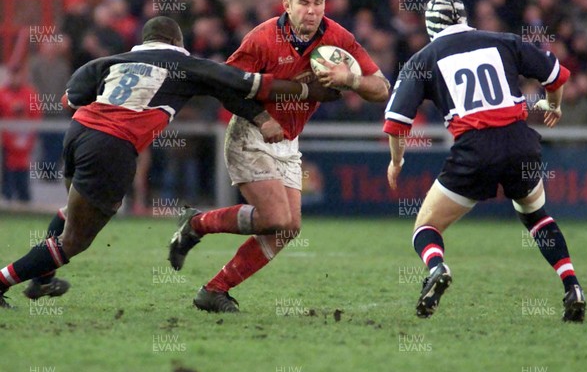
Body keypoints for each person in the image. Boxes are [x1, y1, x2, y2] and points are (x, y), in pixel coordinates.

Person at [0, 16, 337, 308]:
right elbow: (246, 84)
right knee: (75, 240)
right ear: (178, 42)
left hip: (77, 134)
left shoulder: (107, 62)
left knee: (71, 213)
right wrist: (305, 92)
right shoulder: (186, 65)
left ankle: (42, 281)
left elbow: (69, 99)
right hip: (112, 146)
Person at [168, 0, 390, 313]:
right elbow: (225, 86)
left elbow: (381, 88)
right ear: (286, 5)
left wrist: (352, 79)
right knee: (275, 217)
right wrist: (262, 118)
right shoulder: (262, 38)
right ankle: (197, 224)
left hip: (288, 142)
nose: (312, 11)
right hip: (251, 134)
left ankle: (213, 289)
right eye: (303, 3)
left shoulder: (337, 37)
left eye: (318, 3)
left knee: (288, 229)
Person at [384, 0, 586, 322]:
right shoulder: (501, 40)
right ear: (465, 17)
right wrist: (553, 105)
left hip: (476, 148)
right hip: (521, 141)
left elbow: (395, 123)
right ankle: (572, 285)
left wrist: (397, 161)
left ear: (430, 26)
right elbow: (556, 75)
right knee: (537, 217)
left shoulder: (423, 59)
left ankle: (437, 268)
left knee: (427, 226)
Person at [0, 67, 42, 203]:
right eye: (12, 74)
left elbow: (37, 118)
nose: (14, 78)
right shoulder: (2, 93)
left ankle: (25, 206)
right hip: (6, 148)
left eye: (17, 74)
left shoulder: (30, 94)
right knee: (7, 185)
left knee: (23, 185)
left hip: (25, 148)